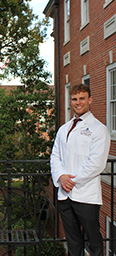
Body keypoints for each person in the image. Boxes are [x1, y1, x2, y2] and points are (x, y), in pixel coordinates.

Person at [50, 84, 111, 256]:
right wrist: (61, 176)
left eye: (82, 99)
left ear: (90, 100)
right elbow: (55, 156)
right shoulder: (64, 129)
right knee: (73, 243)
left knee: (94, 242)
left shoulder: (99, 130)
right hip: (65, 195)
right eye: (75, 99)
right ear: (71, 101)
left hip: (86, 196)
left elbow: (97, 163)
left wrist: (72, 181)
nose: (78, 103)